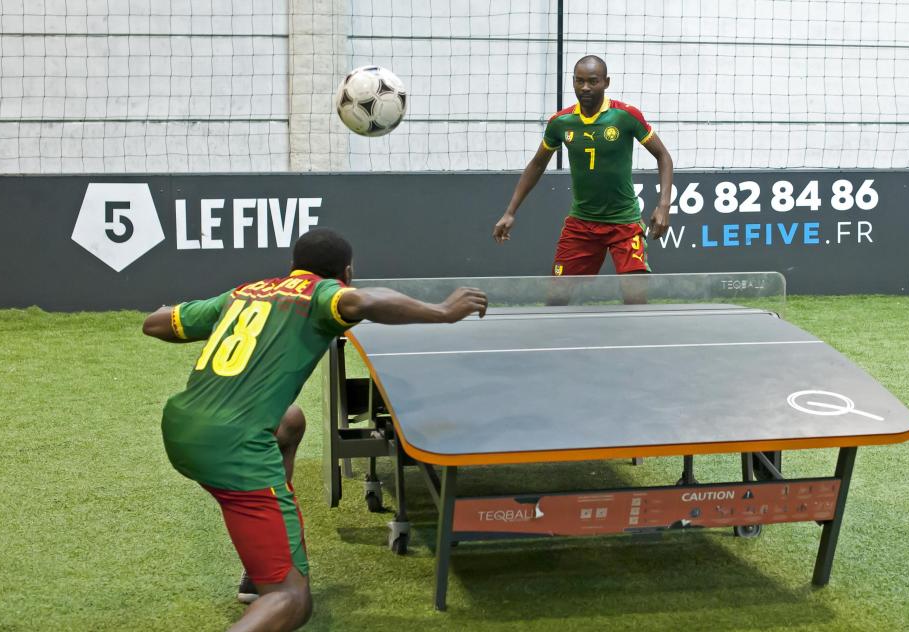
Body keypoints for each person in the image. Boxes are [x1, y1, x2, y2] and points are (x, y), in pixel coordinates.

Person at [142, 228, 487, 632]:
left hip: (182, 427)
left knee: (290, 422)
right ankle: (273, 577)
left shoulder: (245, 293)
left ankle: (259, 566)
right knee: (292, 601)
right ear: (347, 272)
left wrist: (186, 311)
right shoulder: (323, 294)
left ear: (293, 265)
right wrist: (442, 311)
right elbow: (363, 301)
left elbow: (155, 323)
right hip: (234, 448)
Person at [493, 55, 675, 282]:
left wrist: (663, 206)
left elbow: (663, 156)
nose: (585, 87)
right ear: (573, 82)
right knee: (558, 293)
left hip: (625, 222)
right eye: (579, 81)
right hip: (582, 224)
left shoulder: (625, 116)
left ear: (606, 82)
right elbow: (537, 164)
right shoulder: (561, 122)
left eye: (593, 81)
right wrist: (510, 212)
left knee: (635, 291)